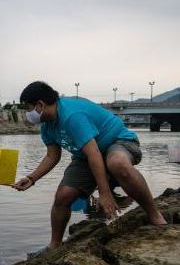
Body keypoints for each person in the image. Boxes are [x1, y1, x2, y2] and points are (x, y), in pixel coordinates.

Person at [14, 81, 167, 254]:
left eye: (28, 108)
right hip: (86, 156)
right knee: (63, 196)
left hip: (117, 142)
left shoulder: (72, 116)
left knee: (117, 163)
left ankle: (155, 216)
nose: (28, 113)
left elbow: (94, 153)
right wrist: (31, 178)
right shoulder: (47, 125)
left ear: (40, 105)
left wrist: (104, 193)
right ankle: (54, 245)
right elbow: (52, 156)